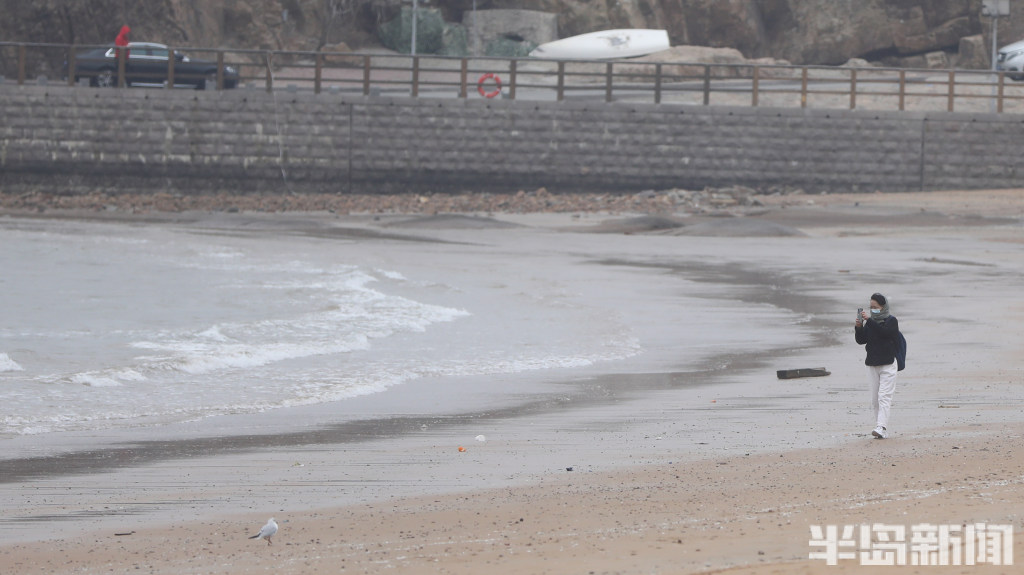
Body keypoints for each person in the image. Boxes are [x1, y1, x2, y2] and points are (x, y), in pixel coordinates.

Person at [854, 292, 899, 439]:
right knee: (874, 399)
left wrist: (870, 321)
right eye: (871, 307)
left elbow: (886, 333)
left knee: (884, 396)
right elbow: (861, 340)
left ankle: (881, 427)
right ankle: (879, 426)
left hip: (888, 364)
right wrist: (859, 327)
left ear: (883, 307)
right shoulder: (870, 323)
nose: (873, 310)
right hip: (872, 364)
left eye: (876, 307)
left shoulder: (891, 321)